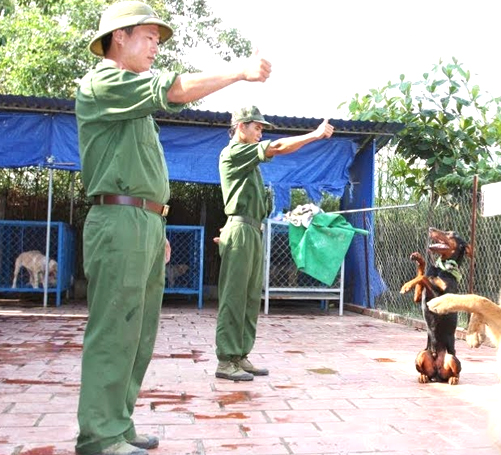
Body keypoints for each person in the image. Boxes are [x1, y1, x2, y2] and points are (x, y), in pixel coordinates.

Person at [75, 2, 271, 455]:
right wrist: (240, 71)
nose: (154, 48)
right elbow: (176, 89)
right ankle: (99, 435)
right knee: (114, 330)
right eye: (148, 38)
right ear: (119, 37)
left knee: (139, 334)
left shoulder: (132, 104)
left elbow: (140, 169)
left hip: (142, 221)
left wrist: (157, 223)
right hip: (118, 219)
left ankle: (118, 425)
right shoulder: (103, 81)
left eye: (158, 42)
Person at [215, 106, 333, 381]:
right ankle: (225, 360)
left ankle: (240, 355)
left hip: (252, 230)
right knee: (234, 297)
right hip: (241, 230)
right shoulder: (233, 152)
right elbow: (278, 147)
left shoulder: (248, 162)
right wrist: (315, 134)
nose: (260, 132)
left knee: (249, 297)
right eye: (257, 127)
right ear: (241, 126)